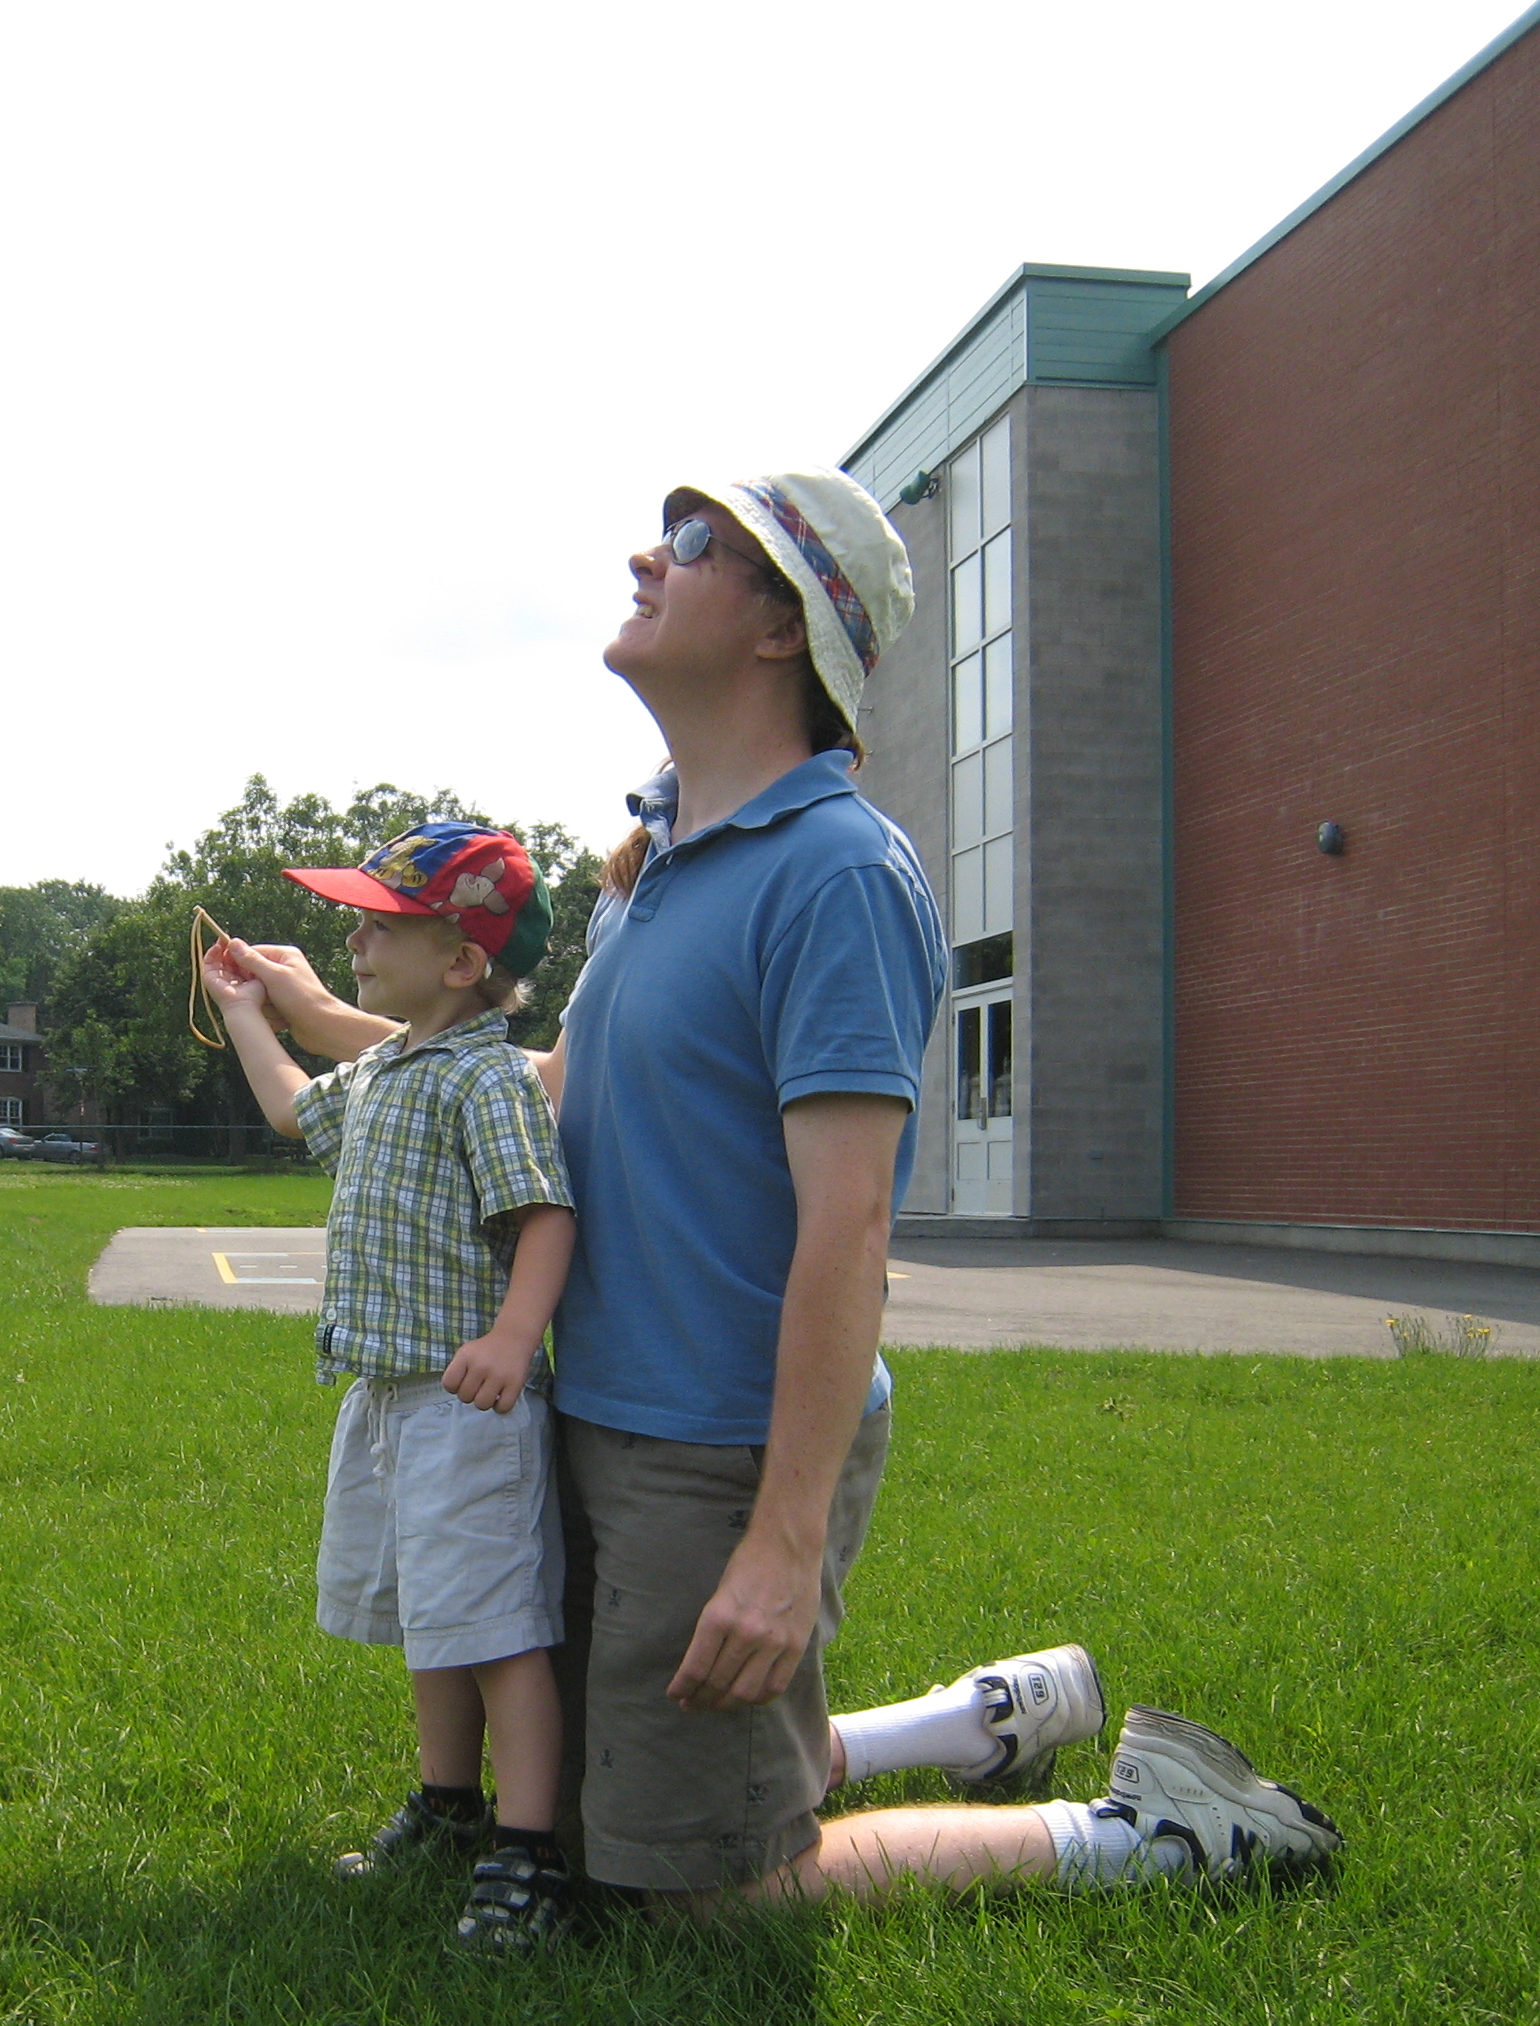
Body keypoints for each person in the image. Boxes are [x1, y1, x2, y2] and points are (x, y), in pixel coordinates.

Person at [219, 467, 1340, 1912]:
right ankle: (973, 1722)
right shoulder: (657, 864)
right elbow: (552, 1085)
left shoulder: (836, 876)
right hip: (601, 1416)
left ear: (779, 630)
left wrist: (784, 1539)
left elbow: (850, 1227)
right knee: (579, 1807)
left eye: (694, 544)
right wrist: (314, 1015)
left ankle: (1148, 1834)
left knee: (697, 1898)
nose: (648, 557)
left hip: (722, 1445)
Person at [204, 820, 585, 1951]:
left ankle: (528, 1850)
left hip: (468, 1407)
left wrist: (513, 1338)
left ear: (462, 962)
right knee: (433, 1613)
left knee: (497, 1627)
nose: (355, 941)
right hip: (386, 1396)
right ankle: (450, 1803)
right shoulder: (384, 1068)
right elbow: (291, 1107)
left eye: (381, 925)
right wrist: (244, 1011)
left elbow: (545, 1216)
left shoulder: (486, 1080)